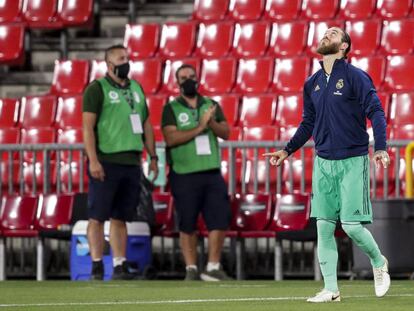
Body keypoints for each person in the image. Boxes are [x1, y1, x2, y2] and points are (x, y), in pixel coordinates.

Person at [264, 27, 391, 302]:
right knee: (323, 227)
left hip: (353, 160)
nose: (325, 35)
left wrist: (380, 148)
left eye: (332, 33)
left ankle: (379, 261)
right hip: (323, 162)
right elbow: (307, 123)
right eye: (324, 32)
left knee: (352, 226)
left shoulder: (356, 76)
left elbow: (377, 112)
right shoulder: (311, 83)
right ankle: (331, 289)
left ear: (344, 46)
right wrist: (287, 151)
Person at [83, 44, 158, 280]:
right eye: (121, 58)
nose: (126, 62)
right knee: (97, 216)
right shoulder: (97, 89)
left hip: (132, 162)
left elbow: (145, 123)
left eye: (127, 57)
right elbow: (87, 127)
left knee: (121, 217)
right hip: (106, 161)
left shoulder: (136, 88)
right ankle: (96, 265)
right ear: (109, 64)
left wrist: (153, 155)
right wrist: (93, 160)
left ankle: (119, 264)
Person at [161, 64, 232, 281]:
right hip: (184, 173)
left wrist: (210, 122)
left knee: (218, 219)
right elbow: (171, 138)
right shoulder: (171, 108)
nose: (189, 80)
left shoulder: (210, 105)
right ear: (177, 82)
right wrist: (200, 128)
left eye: (192, 76)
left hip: (211, 171)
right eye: (184, 77)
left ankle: (213, 266)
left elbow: (226, 132)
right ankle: (191, 268)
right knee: (187, 222)